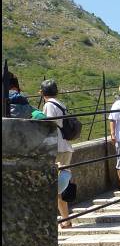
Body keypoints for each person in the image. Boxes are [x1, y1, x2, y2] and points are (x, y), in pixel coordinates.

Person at [41, 80, 75, 228]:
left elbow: (49, 126)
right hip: (66, 146)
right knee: (60, 185)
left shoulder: (49, 105)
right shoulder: (61, 104)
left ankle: (64, 219)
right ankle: (65, 219)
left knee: (55, 186)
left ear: (42, 93)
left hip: (57, 148)